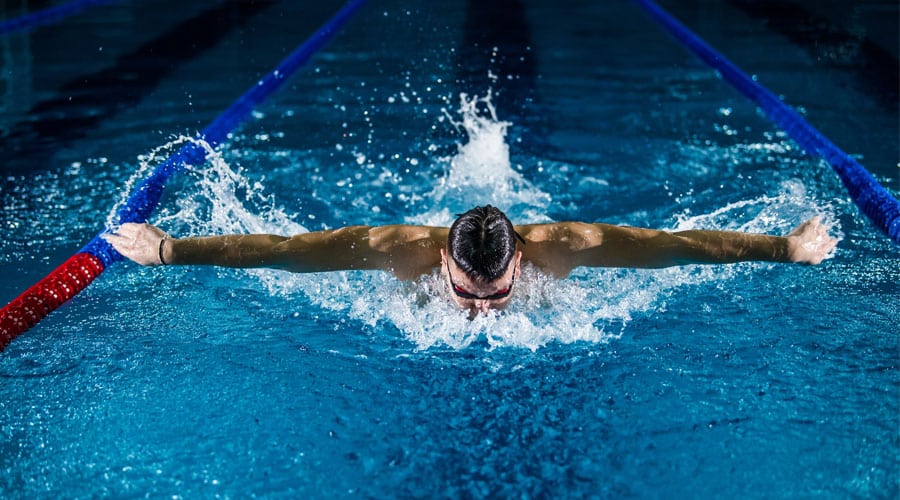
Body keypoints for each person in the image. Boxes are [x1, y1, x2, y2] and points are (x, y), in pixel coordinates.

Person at [103, 205, 837, 315]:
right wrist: (168, 249)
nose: (480, 310)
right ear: (442, 263)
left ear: (521, 256)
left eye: (494, 294)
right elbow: (285, 254)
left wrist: (785, 248)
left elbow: (679, 248)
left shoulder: (568, 246)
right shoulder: (397, 253)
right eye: (466, 292)